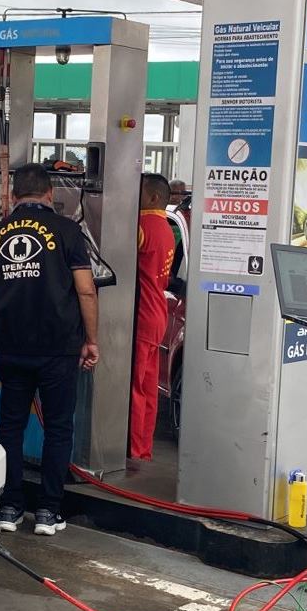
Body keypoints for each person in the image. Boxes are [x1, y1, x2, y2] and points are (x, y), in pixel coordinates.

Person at [0, 164, 100, 537]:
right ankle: (48, 511)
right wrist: (92, 339)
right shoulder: (67, 231)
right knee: (59, 428)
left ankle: (9, 506)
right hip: (58, 348)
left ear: (15, 196)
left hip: (11, 347)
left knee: (11, 426)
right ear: (50, 194)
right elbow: (85, 289)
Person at [129, 173, 175, 465]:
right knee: (149, 389)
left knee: (135, 388)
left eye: (140, 192)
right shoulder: (167, 228)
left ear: (154, 197)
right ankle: (144, 449)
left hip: (142, 315)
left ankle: (133, 451)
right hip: (158, 313)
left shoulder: (142, 226)